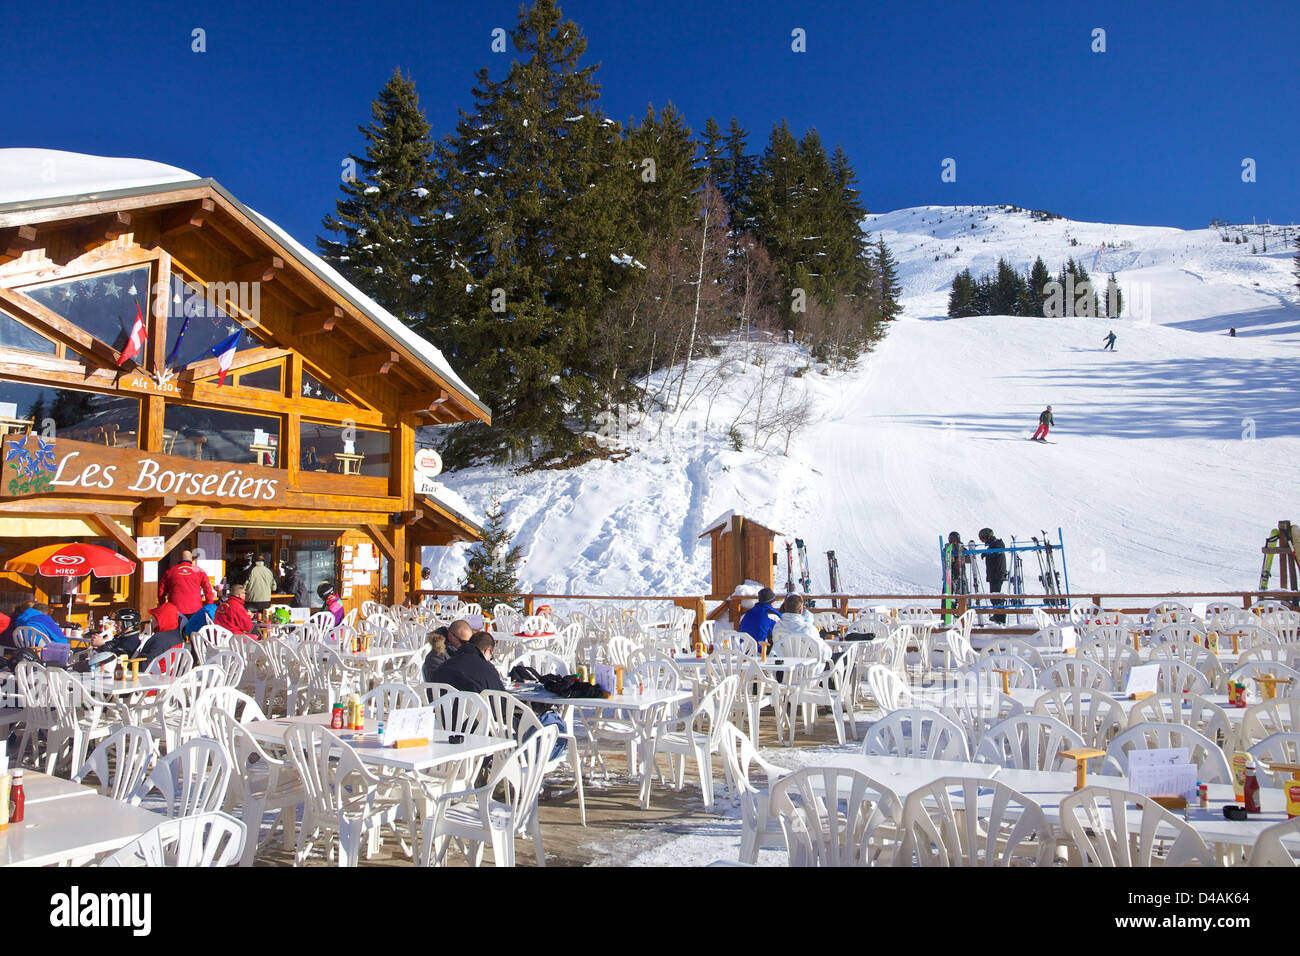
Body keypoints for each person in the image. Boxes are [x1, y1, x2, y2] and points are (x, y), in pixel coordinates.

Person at [427, 631, 505, 693]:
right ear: (487, 651)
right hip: (477, 712)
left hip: (443, 711)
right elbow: (501, 701)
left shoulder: (445, 665)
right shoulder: (488, 670)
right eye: (491, 656)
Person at [157, 550, 216, 627]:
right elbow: (208, 590)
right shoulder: (199, 571)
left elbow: (161, 591)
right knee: (193, 633)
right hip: (195, 609)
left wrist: (163, 605)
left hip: (175, 609)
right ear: (191, 559)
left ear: (180, 559)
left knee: (177, 634)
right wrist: (209, 606)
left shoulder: (171, 571)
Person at [769, 594, 830, 663]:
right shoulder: (808, 629)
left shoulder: (777, 627)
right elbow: (822, 653)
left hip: (784, 668)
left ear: (785, 608)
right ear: (801, 611)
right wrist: (828, 649)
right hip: (807, 669)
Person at [977, 528, 1009, 625]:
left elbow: (998, 550)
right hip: (994, 574)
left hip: (997, 574)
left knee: (995, 597)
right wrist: (987, 553)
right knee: (994, 596)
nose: (983, 541)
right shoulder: (992, 545)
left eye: (983, 539)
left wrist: (988, 553)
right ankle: (998, 616)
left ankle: (1000, 618)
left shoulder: (996, 544)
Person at [139, 600, 186, 665]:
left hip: (151, 673)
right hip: (167, 673)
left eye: (154, 617)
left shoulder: (159, 639)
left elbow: (143, 665)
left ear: (161, 620)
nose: (151, 620)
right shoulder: (178, 637)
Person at [2, 601, 67, 646]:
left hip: (22, 647)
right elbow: (62, 640)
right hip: (40, 649)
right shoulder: (44, 618)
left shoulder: (20, 619)